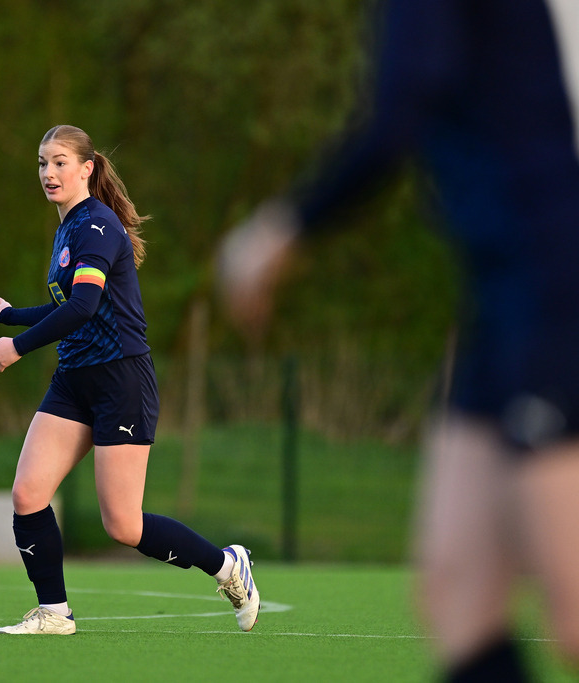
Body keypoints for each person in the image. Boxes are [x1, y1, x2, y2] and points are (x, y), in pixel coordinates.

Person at [217, 0, 579, 680]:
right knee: (456, 588)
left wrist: (281, 230)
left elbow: (397, 114)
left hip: (556, 281)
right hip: (503, 291)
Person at [0, 124, 260, 635]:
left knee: (123, 525)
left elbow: (84, 305)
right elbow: (66, 304)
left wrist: (18, 346)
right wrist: (9, 317)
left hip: (120, 380)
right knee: (28, 494)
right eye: (41, 163)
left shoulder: (97, 225)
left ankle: (227, 565)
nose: (48, 172)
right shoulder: (67, 227)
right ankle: (55, 613)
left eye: (60, 162)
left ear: (86, 168)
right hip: (74, 378)